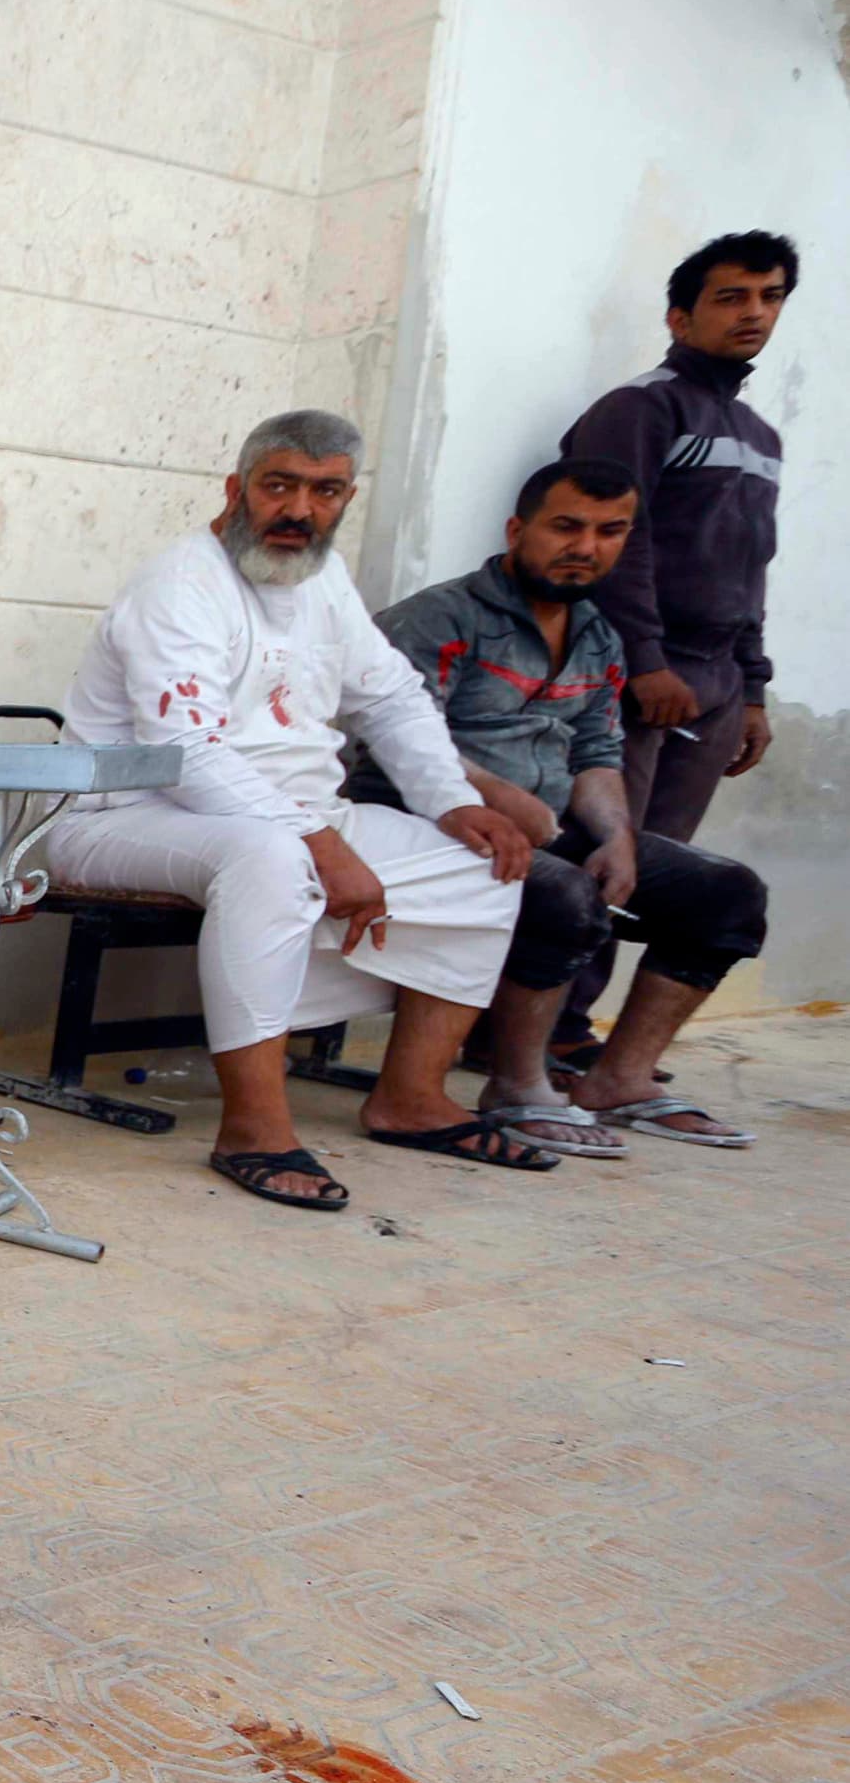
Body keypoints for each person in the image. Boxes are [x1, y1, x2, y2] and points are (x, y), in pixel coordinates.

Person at [50, 410, 540, 1211]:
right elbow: (184, 751)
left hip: (286, 812)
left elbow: (390, 698)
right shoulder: (180, 584)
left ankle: (411, 1097)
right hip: (118, 816)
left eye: (325, 491)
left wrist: (452, 801)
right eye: (280, 485)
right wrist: (319, 840)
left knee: (485, 861)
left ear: (346, 499)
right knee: (270, 860)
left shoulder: (324, 582)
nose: (299, 510)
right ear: (237, 487)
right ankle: (254, 1127)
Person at [354, 461, 765, 1150]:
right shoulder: (439, 617)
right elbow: (394, 735)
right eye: (566, 526)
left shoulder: (599, 636)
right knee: (564, 896)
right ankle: (516, 1085)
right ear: (520, 529)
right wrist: (504, 797)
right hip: (423, 820)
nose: (586, 547)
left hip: (545, 827)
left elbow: (595, 752)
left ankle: (620, 1080)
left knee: (725, 895)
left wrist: (616, 836)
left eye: (610, 532)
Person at [551, 230, 794, 1053]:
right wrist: (644, 661)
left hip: (718, 680)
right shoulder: (642, 408)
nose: (754, 313)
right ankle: (536, 1028)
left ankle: (578, 1028)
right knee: (603, 852)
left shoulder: (762, 435)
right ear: (680, 316)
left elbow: (751, 564)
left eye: (769, 296)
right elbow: (617, 543)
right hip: (639, 671)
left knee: (660, 873)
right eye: (732, 297)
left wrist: (753, 688)